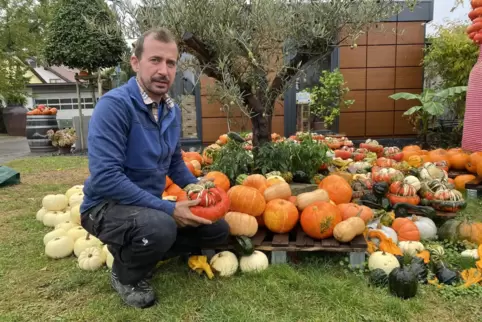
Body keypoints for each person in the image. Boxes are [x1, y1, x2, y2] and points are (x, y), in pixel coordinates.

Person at [79, 28, 230, 309]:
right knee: (160, 227)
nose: (164, 70)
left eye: (171, 63)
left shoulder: (169, 111)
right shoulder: (114, 107)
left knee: (216, 229)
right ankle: (126, 275)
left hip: (145, 208)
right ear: (135, 62)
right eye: (155, 60)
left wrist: (197, 187)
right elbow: (106, 177)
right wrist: (169, 210)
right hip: (104, 208)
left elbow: (174, 162)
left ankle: (133, 248)